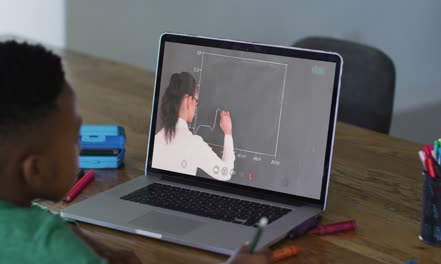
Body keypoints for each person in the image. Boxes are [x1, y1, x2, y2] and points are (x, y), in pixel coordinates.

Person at [0, 41, 270, 264]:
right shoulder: (55, 250)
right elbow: (225, 172)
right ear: (34, 170)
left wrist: (76, 236)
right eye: (74, 138)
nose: (81, 146)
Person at [152, 72, 235, 181]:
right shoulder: (193, 145)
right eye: (196, 101)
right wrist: (228, 133)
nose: (195, 107)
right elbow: (226, 173)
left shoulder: (157, 139)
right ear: (189, 100)